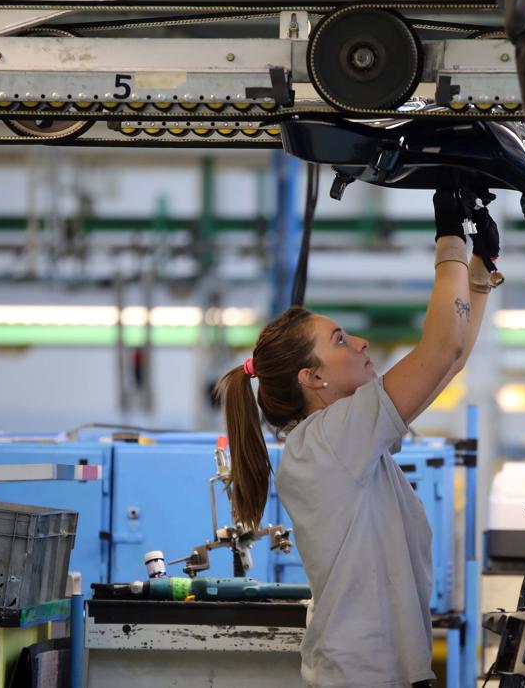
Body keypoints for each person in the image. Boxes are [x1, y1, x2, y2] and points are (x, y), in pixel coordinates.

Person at [214, 184, 501, 688]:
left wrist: (479, 269)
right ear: (312, 377)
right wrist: (449, 241)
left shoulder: (341, 440)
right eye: (340, 340)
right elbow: (438, 351)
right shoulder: (325, 442)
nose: (361, 342)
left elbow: (447, 363)